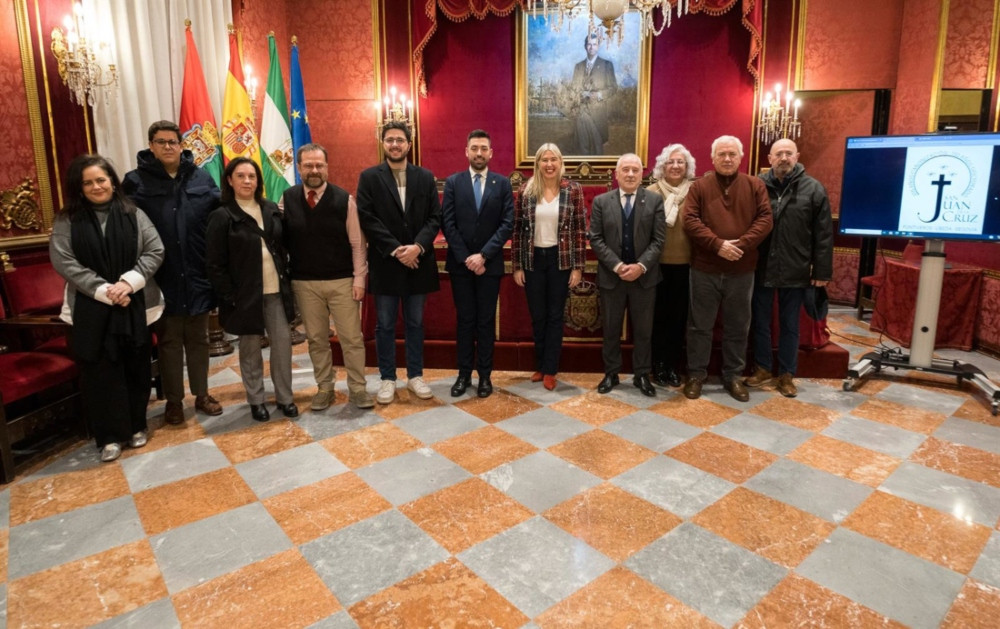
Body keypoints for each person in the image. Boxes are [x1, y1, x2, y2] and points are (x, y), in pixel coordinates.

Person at [50, 154, 164, 462]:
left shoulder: (134, 213)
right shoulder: (67, 219)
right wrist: (104, 290)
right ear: (79, 187)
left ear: (113, 182)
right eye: (88, 182)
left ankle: (137, 426)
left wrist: (128, 283)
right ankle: (109, 436)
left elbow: (155, 249)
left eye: (101, 180)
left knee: (135, 365)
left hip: (133, 301)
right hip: (90, 307)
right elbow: (63, 260)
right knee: (99, 372)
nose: (96, 186)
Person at [122, 120, 223, 425]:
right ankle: (174, 402)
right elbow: (127, 229)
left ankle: (202, 394)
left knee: (199, 340)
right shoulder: (135, 182)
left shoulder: (201, 177)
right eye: (161, 142)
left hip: (196, 272)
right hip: (159, 276)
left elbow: (217, 218)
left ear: (181, 145)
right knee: (168, 342)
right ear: (151, 146)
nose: (168, 147)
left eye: (173, 142)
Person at [282, 143, 374, 411]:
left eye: (319, 165)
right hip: (304, 283)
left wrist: (359, 280)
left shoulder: (344, 199)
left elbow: (358, 244)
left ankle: (358, 388)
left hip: (342, 281)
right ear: (299, 168)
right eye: (308, 165)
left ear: (327, 167)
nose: (314, 170)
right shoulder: (286, 200)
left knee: (351, 339)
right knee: (317, 339)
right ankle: (325, 387)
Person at [205, 157, 298, 422]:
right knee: (250, 350)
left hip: (276, 292)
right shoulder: (221, 216)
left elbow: (283, 247)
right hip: (244, 296)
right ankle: (256, 399)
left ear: (258, 180)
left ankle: (285, 397)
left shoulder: (270, 209)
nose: (247, 181)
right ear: (230, 181)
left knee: (282, 347)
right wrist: (229, 296)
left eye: (252, 176)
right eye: (241, 176)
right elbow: (214, 263)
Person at [356, 121, 441, 405]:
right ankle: (387, 378)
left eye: (400, 140)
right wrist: (396, 250)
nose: (395, 144)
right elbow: (367, 218)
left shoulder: (426, 177)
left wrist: (417, 247)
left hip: (419, 262)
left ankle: (415, 375)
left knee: (416, 323)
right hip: (386, 264)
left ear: (409, 143)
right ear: (383, 143)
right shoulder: (369, 177)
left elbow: (434, 218)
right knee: (385, 325)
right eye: (390, 139)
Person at [682, 135, 772, 402]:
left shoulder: (755, 185)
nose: (727, 158)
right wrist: (717, 244)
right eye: (721, 154)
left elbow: (766, 219)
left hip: (741, 270)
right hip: (705, 268)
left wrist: (741, 245)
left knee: (738, 326)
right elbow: (689, 220)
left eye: (732, 154)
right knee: (700, 326)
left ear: (740, 157)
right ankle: (696, 374)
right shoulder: (699, 186)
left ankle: (733, 375)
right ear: (713, 158)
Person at [745, 138, 833, 398]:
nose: (784, 158)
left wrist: (821, 272)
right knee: (759, 321)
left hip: (796, 267)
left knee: (789, 324)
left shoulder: (814, 189)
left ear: (797, 157)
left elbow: (824, 234)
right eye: (778, 154)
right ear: (769, 159)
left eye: (788, 153)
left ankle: (786, 374)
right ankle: (762, 368)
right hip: (760, 267)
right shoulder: (756, 186)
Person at [441, 130, 515, 399]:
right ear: (467, 151)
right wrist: (467, 258)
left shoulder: (502, 184)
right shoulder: (453, 182)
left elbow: (508, 223)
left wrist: (483, 256)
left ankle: (485, 376)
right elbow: (447, 223)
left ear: (491, 153)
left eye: (484, 148)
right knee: (464, 321)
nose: (479, 153)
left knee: (485, 322)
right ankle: (463, 375)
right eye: (475, 148)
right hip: (461, 266)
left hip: (490, 265)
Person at [512, 143, 587, 390]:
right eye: (544, 160)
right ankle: (540, 365)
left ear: (560, 162)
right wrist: (517, 266)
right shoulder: (526, 190)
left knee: (555, 316)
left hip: (560, 259)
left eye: (553, 159)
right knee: (538, 316)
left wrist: (578, 267)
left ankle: (551, 369)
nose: (549, 164)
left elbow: (579, 230)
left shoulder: (573, 190)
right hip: (533, 260)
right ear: (537, 164)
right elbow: (518, 232)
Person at [589, 153, 665, 397]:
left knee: (644, 330)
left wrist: (640, 266)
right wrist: (618, 266)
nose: (631, 174)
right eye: (626, 170)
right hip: (613, 277)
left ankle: (642, 375)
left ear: (641, 174)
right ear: (617, 174)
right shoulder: (601, 201)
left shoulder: (654, 201)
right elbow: (596, 239)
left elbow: (658, 240)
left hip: (645, 278)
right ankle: (611, 373)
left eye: (635, 170)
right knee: (610, 328)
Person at [647, 144, 696, 388]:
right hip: (656, 266)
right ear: (662, 166)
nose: (675, 166)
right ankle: (658, 366)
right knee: (657, 319)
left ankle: (673, 366)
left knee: (678, 320)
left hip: (687, 266)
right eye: (670, 162)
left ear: (687, 167)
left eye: (680, 162)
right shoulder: (651, 192)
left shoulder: (696, 192)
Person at [570, 33, 617, 155]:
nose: (592, 47)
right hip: (581, 112)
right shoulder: (578, 67)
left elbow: (613, 88)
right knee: (582, 148)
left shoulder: (607, 65)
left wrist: (600, 94)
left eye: (594, 44)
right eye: (589, 44)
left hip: (597, 113)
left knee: (597, 148)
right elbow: (574, 88)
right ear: (585, 46)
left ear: (598, 46)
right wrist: (582, 93)